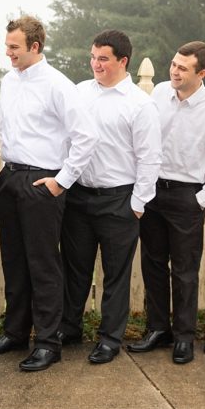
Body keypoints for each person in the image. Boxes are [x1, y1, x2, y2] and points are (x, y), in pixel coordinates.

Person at [0, 16, 98, 372]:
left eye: (14, 47)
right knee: (14, 261)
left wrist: (61, 181)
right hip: (10, 177)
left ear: (35, 46)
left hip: (42, 181)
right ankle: (15, 333)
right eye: (7, 46)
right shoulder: (8, 81)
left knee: (43, 264)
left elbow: (86, 136)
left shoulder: (58, 85)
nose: (8, 52)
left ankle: (48, 343)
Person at [57, 30, 161, 365]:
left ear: (123, 61)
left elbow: (150, 158)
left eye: (103, 58)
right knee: (75, 268)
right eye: (93, 57)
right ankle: (68, 328)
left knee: (115, 274)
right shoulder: (79, 93)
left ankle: (109, 338)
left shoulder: (140, 104)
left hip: (119, 200)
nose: (95, 64)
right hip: (79, 196)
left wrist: (137, 204)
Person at [129, 42, 205, 365]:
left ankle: (184, 337)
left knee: (185, 270)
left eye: (183, 68)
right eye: (174, 64)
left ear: (202, 73)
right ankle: (158, 329)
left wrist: (200, 200)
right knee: (153, 264)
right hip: (153, 191)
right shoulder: (158, 93)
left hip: (188, 196)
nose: (174, 71)